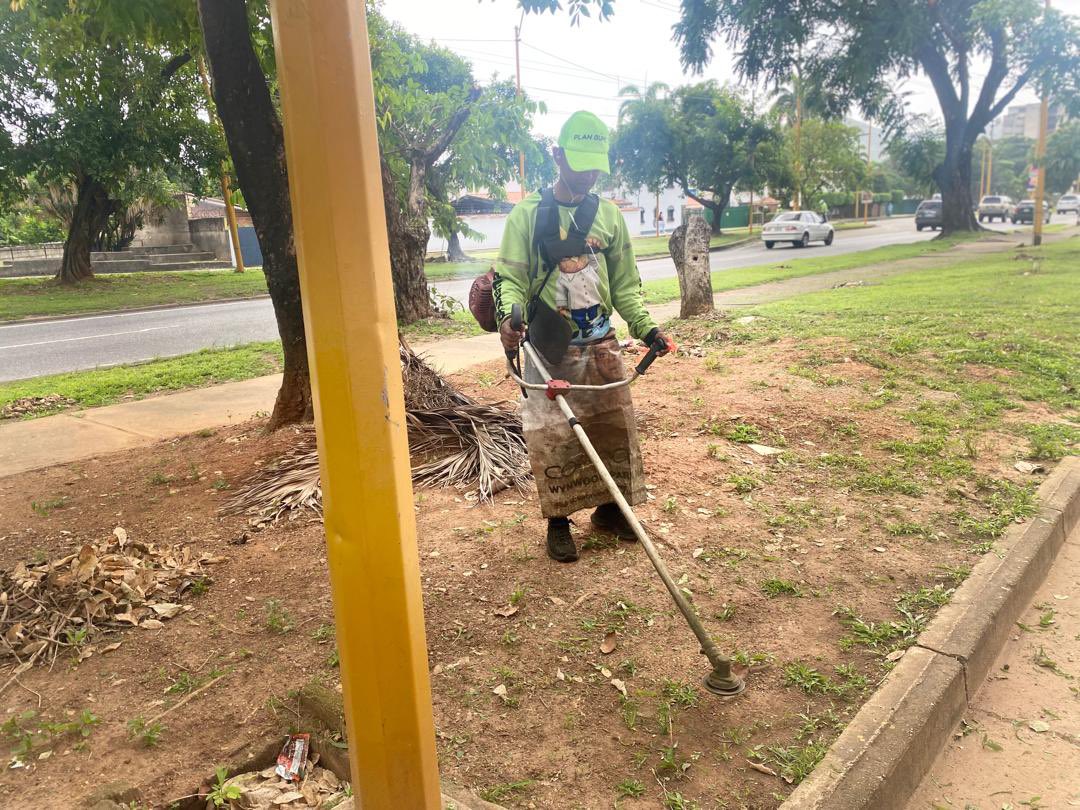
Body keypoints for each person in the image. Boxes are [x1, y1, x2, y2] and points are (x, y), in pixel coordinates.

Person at [494, 110, 672, 563]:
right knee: (553, 436)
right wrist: (509, 317)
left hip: (602, 343)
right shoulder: (527, 215)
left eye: (595, 166)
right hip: (549, 348)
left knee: (613, 430)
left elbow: (627, 286)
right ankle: (558, 522)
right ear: (556, 156)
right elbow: (509, 277)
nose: (588, 175)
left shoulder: (609, 217)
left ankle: (611, 511)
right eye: (579, 164)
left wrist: (646, 327)